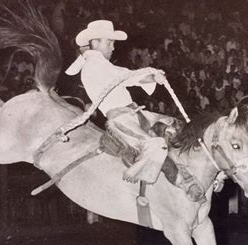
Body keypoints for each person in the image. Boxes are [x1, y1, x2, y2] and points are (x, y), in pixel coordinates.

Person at [65, 20, 204, 201]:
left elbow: (125, 76)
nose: (113, 47)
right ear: (96, 42)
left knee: (173, 125)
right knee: (155, 145)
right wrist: (151, 75)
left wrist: (151, 76)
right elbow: (126, 77)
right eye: (109, 42)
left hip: (134, 113)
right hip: (120, 119)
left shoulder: (101, 64)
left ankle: (191, 170)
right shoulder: (94, 65)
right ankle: (153, 176)